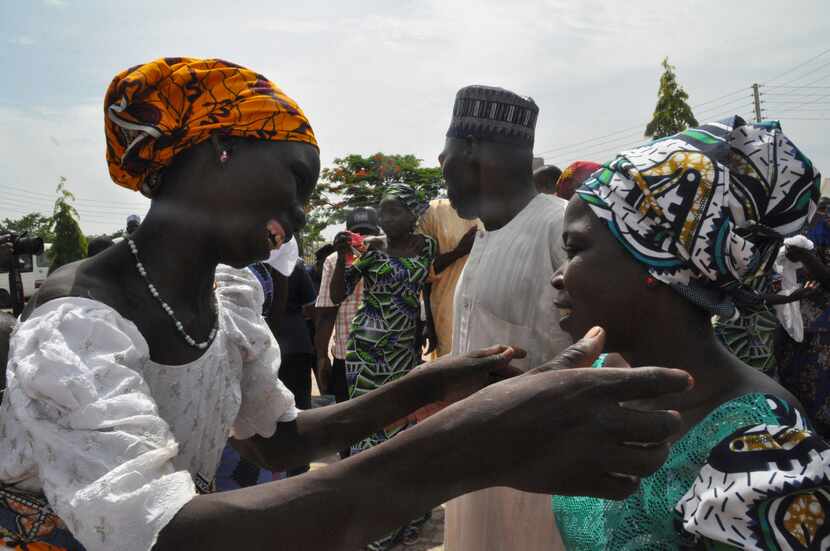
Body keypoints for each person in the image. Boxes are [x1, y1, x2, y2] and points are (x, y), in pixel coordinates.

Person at [0, 57, 691, 551]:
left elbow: (281, 439)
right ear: (217, 149)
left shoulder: (223, 295)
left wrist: (435, 382)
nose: (300, 213)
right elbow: (166, 532)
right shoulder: (76, 326)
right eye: (296, 179)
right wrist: (466, 447)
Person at [551, 117, 830, 549]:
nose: (558, 275)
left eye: (575, 249)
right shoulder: (600, 378)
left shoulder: (763, 450)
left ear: (656, 264)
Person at [439, 85, 572, 551]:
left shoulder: (562, 227)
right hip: (475, 468)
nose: (444, 175)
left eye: (445, 161)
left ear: (471, 151)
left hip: (544, 478)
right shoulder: (483, 235)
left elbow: (611, 357)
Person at [314, 207, 379, 421]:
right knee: (348, 420)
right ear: (347, 234)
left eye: (367, 233)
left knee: (379, 418)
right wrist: (322, 357)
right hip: (347, 355)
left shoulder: (388, 257)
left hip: (382, 353)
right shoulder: (334, 261)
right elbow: (327, 311)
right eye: (357, 233)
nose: (362, 239)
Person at [777, 196, 830, 438]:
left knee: (815, 410)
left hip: (820, 336)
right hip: (793, 319)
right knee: (787, 397)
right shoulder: (817, 210)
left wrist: (807, 258)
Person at [417, 198, 481, 358]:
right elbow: (420, 270)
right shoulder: (434, 211)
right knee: (453, 370)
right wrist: (458, 252)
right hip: (447, 313)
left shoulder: (499, 207)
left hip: (488, 310)